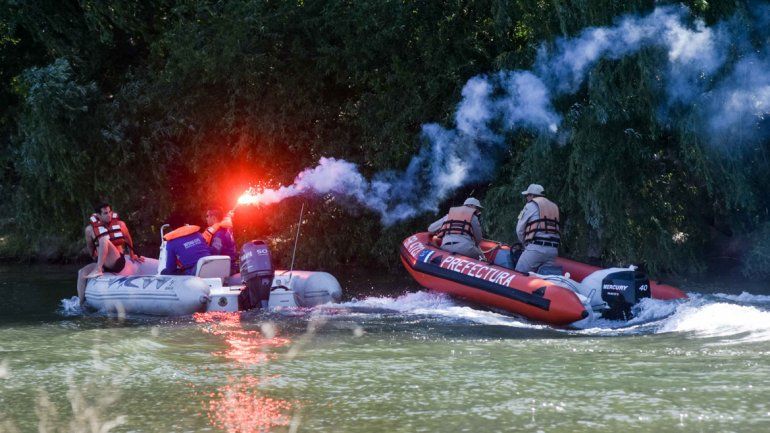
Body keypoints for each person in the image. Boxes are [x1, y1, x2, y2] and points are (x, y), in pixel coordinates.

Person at [77, 203, 144, 304]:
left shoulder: (120, 224)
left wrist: (132, 254)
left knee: (104, 240)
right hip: (103, 263)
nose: (108, 215)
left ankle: (98, 269)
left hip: (117, 262)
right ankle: (81, 304)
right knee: (81, 272)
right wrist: (94, 256)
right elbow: (90, 246)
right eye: (105, 213)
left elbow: (128, 239)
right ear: (98, 215)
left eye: (109, 212)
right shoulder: (89, 230)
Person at [515, 184, 560, 273]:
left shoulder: (530, 205)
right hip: (553, 251)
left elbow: (519, 230)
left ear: (531, 195)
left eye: (527, 195)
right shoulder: (554, 206)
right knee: (545, 280)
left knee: (519, 273)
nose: (526, 198)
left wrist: (524, 244)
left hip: (536, 249)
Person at [202, 207, 238, 274]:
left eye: (207, 216)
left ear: (213, 218)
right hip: (230, 265)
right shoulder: (226, 230)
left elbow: (215, 251)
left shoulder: (219, 233)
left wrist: (201, 248)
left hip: (225, 268)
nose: (206, 218)